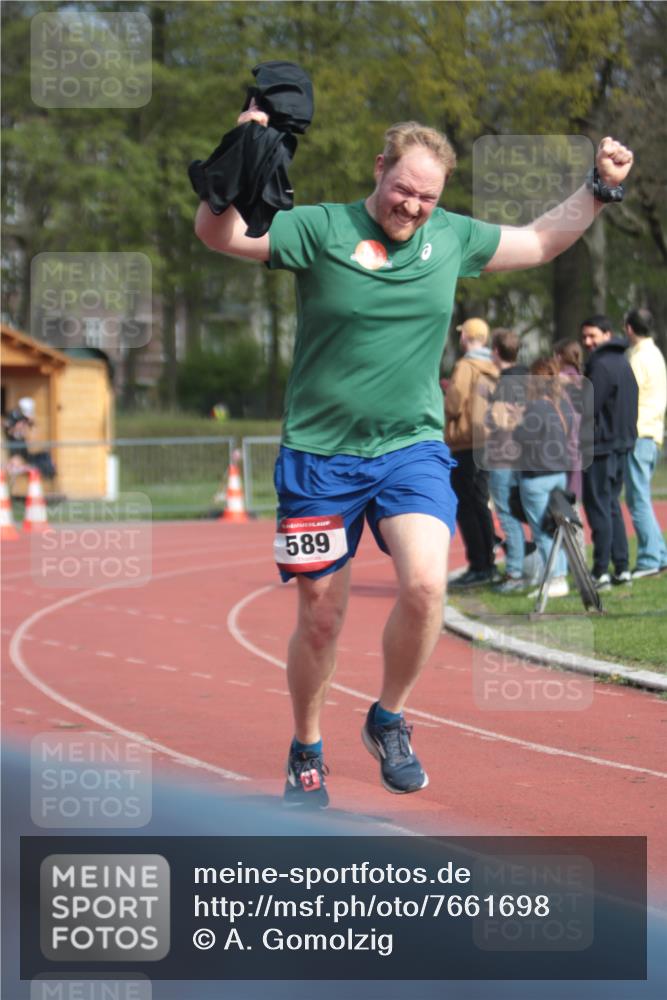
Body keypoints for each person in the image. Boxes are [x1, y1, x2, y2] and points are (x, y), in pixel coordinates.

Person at [194, 107, 633, 808]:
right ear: (379, 170)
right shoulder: (320, 229)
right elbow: (218, 235)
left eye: (427, 197)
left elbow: (542, 240)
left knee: (426, 586)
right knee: (319, 615)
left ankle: (387, 717)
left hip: (410, 448)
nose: (413, 207)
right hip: (319, 456)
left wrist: (599, 188)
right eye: (403, 190)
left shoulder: (451, 237)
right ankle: (306, 746)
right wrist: (236, 152)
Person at [581, 315, 638, 589]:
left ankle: (601, 570)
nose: (587, 342)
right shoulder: (623, 363)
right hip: (621, 445)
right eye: (584, 338)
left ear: (607, 334)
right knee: (612, 505)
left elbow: (587, 407)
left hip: (603, 447)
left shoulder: (601, 366)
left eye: (592, 336)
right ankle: (622, 567)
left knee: (599, 507)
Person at [513, 358, 575, 598]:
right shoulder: (562, 406)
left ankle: (555, 579)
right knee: (555, 528)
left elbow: (522, 437)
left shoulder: (537, 407)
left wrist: (517, 420)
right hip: (559, 473)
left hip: (537, 475)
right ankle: (558, 574)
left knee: (542, 531)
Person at [445, 317, 499, 588]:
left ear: (466, 336)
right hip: (489, 438)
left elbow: (454, 404)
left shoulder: (466, 366)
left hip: (466, 441)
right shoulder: (495, 364)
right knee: (481, 502)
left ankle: (478, 564)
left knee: (466, 504)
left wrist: (445, 398)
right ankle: (488, 561)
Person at [623, 308, 667, 577]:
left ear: (629, 328)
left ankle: (650, 558)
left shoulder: (638, 358)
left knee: (637, 499)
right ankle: (659, 554)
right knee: (642, 497)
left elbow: (627, 395)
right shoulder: (656, 354)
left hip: (639, 434)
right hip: (653, 433)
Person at [484, 328, 529, 592]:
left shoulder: (503, 384)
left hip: (504, 454)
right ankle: (538, 567)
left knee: (507, 513)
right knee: (530, 513)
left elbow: (498, 421)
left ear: (496, 352)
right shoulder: (531, 378)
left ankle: (515, 572)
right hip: (529, 455)